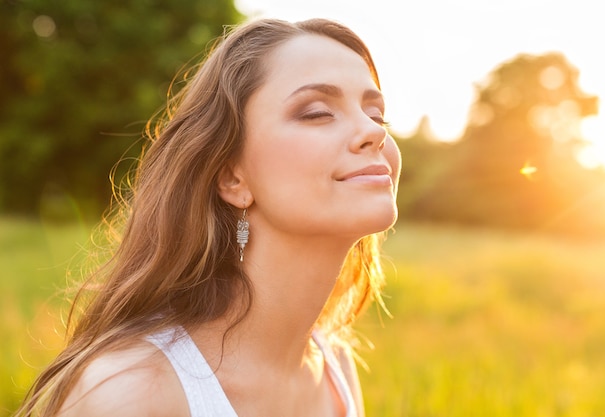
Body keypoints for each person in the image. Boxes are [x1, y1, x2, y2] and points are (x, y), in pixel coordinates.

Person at [15, 17, 401, 417]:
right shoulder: (132, 393)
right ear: (232, 177)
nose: (373, 132)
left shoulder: (335, 367)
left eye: (376, 114)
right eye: (317, 112)